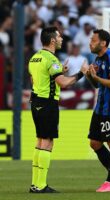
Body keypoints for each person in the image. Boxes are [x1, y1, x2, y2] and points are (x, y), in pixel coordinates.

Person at [28, 26, 87, 193]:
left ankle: (35, 184)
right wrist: (81, 74)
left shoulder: (35, 58)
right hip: (48, 104)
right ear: (53, 40)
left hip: (36, 102)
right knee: (47, 142)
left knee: (40, 141)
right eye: (59, 37)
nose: (62, 39)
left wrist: (60, 71)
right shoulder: (52, 60)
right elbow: (64, 83)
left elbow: (34, 81)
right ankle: (41, 185)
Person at [85, 29, 110, 192]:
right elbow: (98, 84)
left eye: (93, 40)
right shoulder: (98, 59)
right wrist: (90, 75)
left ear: (103, 43)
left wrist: (96, 77)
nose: (90, 42)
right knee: (94, 143)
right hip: (100, 108)